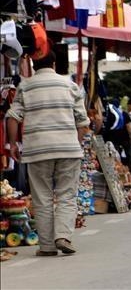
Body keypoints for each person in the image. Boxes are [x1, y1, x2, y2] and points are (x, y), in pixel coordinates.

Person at [5, 50, 90, 256]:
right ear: (53, 64)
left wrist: (14, 144)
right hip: (68, 149)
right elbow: (83, 121)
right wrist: (76, 143)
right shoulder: (70, 85)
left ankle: (47, 246)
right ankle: (63, 236)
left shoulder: (25, 86)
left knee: (41, 197)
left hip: (37, 150)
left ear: (34, 65)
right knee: (66, 195)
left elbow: (13, 116)